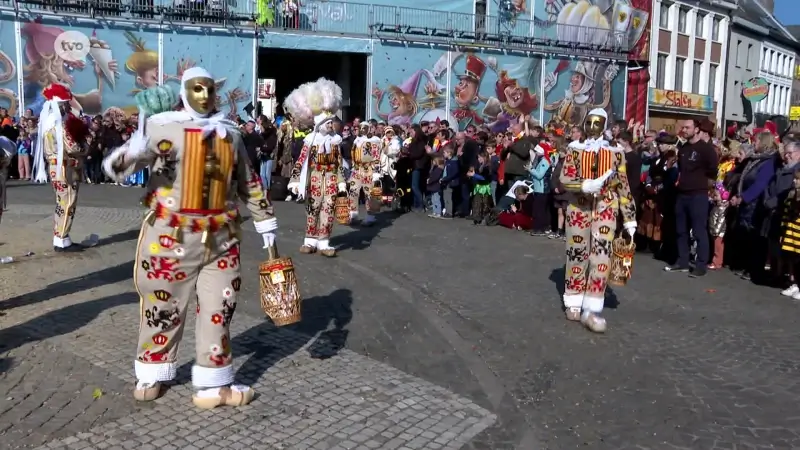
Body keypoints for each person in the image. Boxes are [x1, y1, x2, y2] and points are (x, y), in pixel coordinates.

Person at [102, 68, 278, 408]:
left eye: (209, 89)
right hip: (171, 236)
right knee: (163, 302)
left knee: (220, 305)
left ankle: (213, 384)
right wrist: (133, 149)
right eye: (196, 89)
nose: (203, 96)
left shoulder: (230, 134)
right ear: (184, 92)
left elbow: (248, 179)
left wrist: (265, 221)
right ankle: (152, 370)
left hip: (221, 237)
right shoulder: (163, 127)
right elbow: (121, 168)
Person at [558, 108, 637, 333]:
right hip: (579, 208)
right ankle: (573, 299)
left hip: (606, 207)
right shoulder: (575, 150)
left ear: (604, 125)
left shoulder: (616, 152)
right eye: (589, 123)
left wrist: (629, 217)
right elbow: (565, 178)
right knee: (577, 253)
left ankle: (593, 305)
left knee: (602, 256)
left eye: (597, 123)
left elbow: (623, 184)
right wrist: (583, 185)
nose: (592, 128)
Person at [285, 78, 347, 256]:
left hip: (331, 179)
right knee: (313, 208)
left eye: (331, 123)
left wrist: (342, 181)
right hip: (314, 178)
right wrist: (296, 180)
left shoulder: (335, 142)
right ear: (320, 125)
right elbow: (301, 160)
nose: (330, 125)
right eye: (327, 123)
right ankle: (309, 240)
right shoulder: (310, 141)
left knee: (328, 210)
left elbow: (339, 163)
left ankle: (324, 242)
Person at [32, 83, 90, 252]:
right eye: (65, 104)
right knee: (68, 202)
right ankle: (61, 238)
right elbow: (73, 148)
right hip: (66, 168)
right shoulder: (60, 125)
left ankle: (60, 235)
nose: (67, 107)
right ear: (60, 106)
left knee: (61, 202)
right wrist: (85, 146)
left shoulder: (47, 124)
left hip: (55, 167)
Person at [664, 119, 719, 277]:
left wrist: (705, 187)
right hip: (682, 194)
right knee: (680, 230)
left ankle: (701, 265)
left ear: (696, 130)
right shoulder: (683, 148)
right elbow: (681, 169)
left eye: (687, 127)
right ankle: (682, 261)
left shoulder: (706, 149)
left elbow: (713, 172)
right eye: (683, 127)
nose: (684, 130)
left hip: (698, 195)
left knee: (698, 230)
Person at [347, 123, 381, 225]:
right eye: (360, 128)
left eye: (364, 128)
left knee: (369, 193)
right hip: (357, 168)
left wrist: (376, 170)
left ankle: (370, 216)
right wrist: (353, 165)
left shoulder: (374, 140)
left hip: (368, 169)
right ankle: (353, 214)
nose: (361, 130)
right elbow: (353, 153)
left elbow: (376, 155)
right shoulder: (357, 140)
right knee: (353, 190)